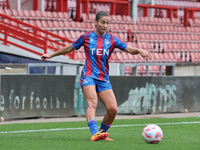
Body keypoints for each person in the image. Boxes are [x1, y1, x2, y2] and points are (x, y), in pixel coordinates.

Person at [41, 11, 152, 141]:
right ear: (96, 23)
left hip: (103, 79)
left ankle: (101, 134)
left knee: (113, 109)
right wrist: (51, 55)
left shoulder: (112, 39)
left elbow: (129, 49)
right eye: (103, 22)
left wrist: (139, 50)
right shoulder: (86, 37)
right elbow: (70, 48)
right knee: (93, 103)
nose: (105, 25)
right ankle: (94, 133)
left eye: (108, 23)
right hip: (88, 75)